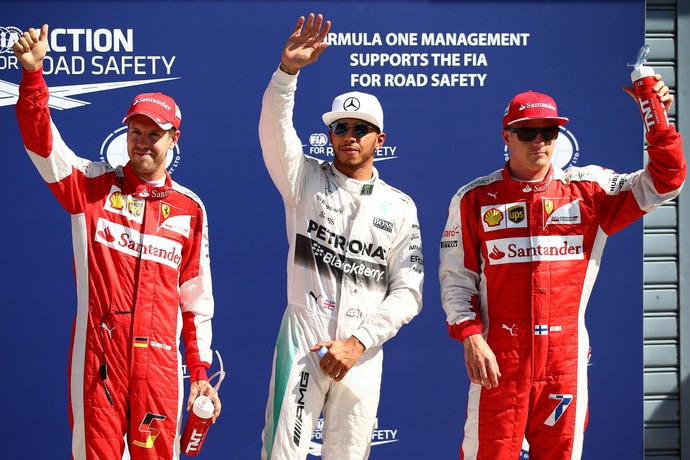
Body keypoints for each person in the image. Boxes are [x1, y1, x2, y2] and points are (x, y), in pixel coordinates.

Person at [439, 82, 685, 459]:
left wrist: (655, 113)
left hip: (564, 362)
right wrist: (471, 336)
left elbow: (666, 180)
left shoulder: (590, 189)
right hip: (499, 363)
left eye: (548, 131)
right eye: (526, 131)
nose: (538, 141)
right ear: (506, 135)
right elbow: (457, 280)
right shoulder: (474, 197)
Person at [14, 24, 221, 459]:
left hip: (162, 364)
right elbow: (42, 145)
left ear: (173, 138)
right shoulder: (91, 185)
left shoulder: (190, 208)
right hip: (100, 357)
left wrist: (198, 369)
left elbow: (195, 299)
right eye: (135, 132)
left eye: (153, 134)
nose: (142, 143)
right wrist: (33, 79)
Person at [258, 13, 424, 460]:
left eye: (361, 128)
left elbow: (408, 292)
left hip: (363, 352)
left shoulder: (400, 206)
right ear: (330, 133)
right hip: (303, 338)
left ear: (379, 138)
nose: (349, 135)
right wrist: (287, 74)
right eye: (340, 127)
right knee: (281, 455)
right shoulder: (303, 181)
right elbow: (276, 136)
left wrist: (358, 342)